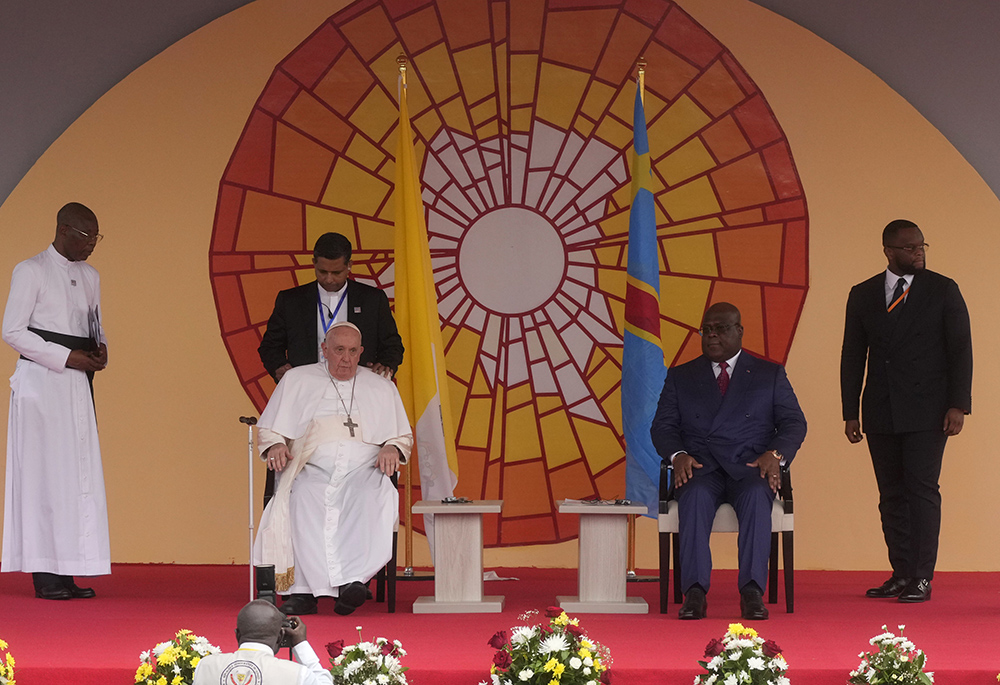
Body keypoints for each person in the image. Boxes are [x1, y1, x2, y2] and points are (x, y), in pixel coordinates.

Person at [841, 219, 972, 604]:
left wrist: (958, 404)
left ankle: (921, 577)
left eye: (921, 246)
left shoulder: (943, 290)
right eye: (910, 248)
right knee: (890, 494)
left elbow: (960, 349)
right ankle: (900, 572)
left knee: (922, 491)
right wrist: (851, 410)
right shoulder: (863, 293)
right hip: (880, 408)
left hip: (929, 410)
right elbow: (853, 355)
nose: (919, 253)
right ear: (888, 251)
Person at [651, 302, 806, 621]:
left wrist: (774, 454)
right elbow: (662, 427)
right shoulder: (681, 375)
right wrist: (678, 455)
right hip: (700, 467)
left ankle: (752, 592)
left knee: (754, 497)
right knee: (692, 497)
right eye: (706, 330)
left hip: (750, 466)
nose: (711, 336)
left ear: (739, 331)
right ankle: (694, 592)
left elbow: (793, 423)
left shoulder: (768, 373)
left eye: (720, 329)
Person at [253, 321, 412, 616]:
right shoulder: (297, 380)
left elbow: (401, 434)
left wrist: (391, 447)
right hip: (311, 468)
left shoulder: (381, 386)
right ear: (324, 350)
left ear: (361, 352)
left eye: (353, 351)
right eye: (339, 350)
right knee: (301, 499)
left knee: (371, 498)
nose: (346, 359)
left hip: (364, 470)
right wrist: (275, 444)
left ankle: (353, 581)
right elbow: (271, 427)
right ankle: (303, 592)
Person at [1, 202, 110, 600]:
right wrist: (65, 358)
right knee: (44, 475)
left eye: (97, 237)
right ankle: (44, 573)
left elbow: (94, 324)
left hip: (77, 382)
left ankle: (70, 568)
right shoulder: (30, 270)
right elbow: (12, 330)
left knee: (75, 475)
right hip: (42, 382)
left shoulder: (90, 275)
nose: (92, 246)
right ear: (64, 230)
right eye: (87, 237)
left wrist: (100, 351)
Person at [258, 232, 404, 507]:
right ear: (313, 264)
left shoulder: (372, 299)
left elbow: (392, 345)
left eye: (336, 272)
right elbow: (270, 347)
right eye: (322, 271)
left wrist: (385, 366)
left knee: (369, 489)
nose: (328, 279)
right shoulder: (291, 300)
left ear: (349, 266)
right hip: (308, 398)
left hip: (357, 395)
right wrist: (282, 370)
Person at [192, 599, 333, 685]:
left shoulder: (205, 666)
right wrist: (300, 643)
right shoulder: (297, 674)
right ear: (280, 637)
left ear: (237, 635)